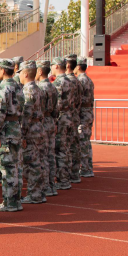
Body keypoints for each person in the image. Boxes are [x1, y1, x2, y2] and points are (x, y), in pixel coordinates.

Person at [0, 58, 24, 212]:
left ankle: (9, 202)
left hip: (6, 131)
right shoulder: (18, 87)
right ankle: (16, 200)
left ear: (3, 70)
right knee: (16, 167)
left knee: (7, 168)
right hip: (16, 128)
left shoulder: (2, 89)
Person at [19, 61, 46, 205]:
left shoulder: (28, 90)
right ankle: (39, 192)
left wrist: (22, 134)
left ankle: (34, 194)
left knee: (31, 163)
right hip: (38, 127)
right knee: (38, 161)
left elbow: (26, 114)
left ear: (25, 74)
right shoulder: (38, 89)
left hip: (31, 130)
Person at [52, 57, 76, 190]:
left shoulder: (58, 83)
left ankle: (63, 180)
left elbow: (57, 104)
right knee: (66, 148)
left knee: (60, 149)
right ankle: (67, 176)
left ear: (56, 66)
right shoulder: (70, 81)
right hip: (69, 116)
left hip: (61, 118)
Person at [36, 60, 59, 197]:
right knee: (50, 154)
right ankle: (51, 184)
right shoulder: (52, 87)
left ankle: (45, 186)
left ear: (40, 71)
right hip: (50, 120)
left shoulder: (40, 88)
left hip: (43, 122)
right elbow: (56, 108)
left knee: (42, 155)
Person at [75, 56, 95, 178]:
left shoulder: (80, 81)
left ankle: (85, 168)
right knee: (86, 141)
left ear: (78, 66)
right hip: (88, 112)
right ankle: (88, 166)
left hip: (82, 113)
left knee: (82, 141)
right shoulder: (89, 80)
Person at [65, 54, 83, 184]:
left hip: (66, 116)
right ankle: (74, 173)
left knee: (65, 147)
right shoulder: (77, 81)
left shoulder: (66, 81)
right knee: (74, 145)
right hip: (74, 114)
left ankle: (66, 176)